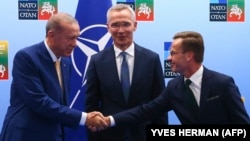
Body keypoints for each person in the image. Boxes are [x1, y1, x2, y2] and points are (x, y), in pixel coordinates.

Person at [102, 31, 250, 126]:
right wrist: (110, 120)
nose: (168, 58)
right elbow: (146, 111)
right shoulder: (174, 87)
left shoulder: (223, 84)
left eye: (173, 53)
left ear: (189, 55)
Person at [0, 13, 107, 141]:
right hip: (26, 135)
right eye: (70, 38)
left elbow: (61, 103)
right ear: (51, 35)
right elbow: (39, 102)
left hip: (54, 134)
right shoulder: (26, 57)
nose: (75, 44)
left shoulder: (66, 62)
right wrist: (84, 118)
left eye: (77, 38)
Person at [85, 4, 168, 141]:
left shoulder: (151, 59)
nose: (121, 30)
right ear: (108, 27)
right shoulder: (96, 61)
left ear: (135, 25)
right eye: (115, 25)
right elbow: (91, 105)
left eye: (126, 24)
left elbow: (159, 104)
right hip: (108, 136)